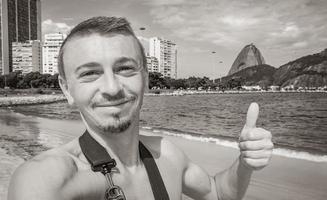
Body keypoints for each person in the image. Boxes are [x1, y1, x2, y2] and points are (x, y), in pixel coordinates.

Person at [8, 16, 273, 200]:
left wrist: (245, 163)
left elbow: (217, 194)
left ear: (145, 77)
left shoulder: (166, 154)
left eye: (125, 68)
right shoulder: (48, 178)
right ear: (67, 89)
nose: (112, 88)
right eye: (90, 73)